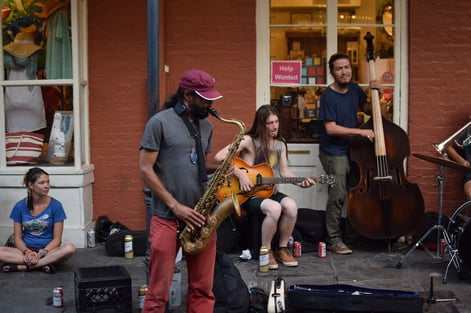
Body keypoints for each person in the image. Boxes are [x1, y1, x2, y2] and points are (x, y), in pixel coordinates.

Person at [139, 69, 224, 313]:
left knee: (202, 289)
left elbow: (197, 161)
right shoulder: (159, 122)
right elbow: (145, 170)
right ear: (187, 96)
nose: (210, 104)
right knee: (157, 292)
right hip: (167, 216)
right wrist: (176, 206)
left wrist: (224, 167)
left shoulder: (206, 126)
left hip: (201, 217)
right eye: (205, 99)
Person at [215, 104, 315, 270]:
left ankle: (282, 248)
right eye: (270, 123)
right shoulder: (248, 140)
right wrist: (240, 174)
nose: (275, 126)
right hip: (248, 194)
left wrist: (300, 181)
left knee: (291, 206)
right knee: (275, 209)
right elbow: (220, 156)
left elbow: (284, 172)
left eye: (276, 122)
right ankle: (266, 251)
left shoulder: (280, 144)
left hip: (271, 191)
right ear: (262, 124)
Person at [318, 53, 380, 255]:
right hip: (334, 152)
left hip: (354, 152)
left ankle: (353, 237)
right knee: (337, 196)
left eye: (347, 67)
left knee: (355, 195)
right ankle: (334, 240)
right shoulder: (328, 96)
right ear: (332, 72)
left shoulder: (354, 89)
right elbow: (331, 129)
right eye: (339, 68)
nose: (344, 72)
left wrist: (376, 93)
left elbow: (368, 109)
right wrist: (360, 131)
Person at [0, 167, 76, 273]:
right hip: (25, 250)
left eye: (48, 182)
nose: (47, 186)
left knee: (69, 248)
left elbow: (57, 239)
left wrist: (41, 253)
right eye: (42, 183)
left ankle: (27, 266)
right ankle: (44, 264)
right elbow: (17, 238)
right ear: (31, 185)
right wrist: (27, 252)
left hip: (48, 251)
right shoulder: (19, 206)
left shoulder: (56, 206)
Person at [446, 124, 471, 199]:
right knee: (470, 192)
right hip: (470, 174)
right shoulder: (468, 131)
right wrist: (461, 161)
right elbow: (447, 146)